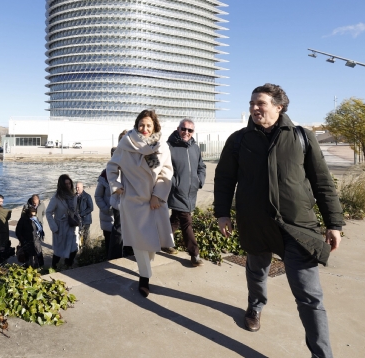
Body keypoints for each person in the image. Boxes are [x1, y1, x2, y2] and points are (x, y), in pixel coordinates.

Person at [214, 83, 344, 358]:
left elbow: (322, 182)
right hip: (255, 223)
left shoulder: (301, 137)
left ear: (279, 106)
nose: (254, 108)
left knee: (309, 296)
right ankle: (255, 306)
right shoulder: (238, 140)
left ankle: (322, 355)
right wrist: (222, 213)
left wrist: (334, 223)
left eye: (260, 103)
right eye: (251, 103)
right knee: (256, 271)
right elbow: (224, 179)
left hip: (297, 226)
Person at [107, 110, 174, 297]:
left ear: (155, 127)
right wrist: (116, 185)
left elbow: (166, 173)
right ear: (136, 125)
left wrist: (158, 195)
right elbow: (111, 167)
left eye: (148, 125)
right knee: (139, 242)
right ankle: (144, 278)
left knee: (151, 243)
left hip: (154, 201)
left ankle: (145, 269)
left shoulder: (162, 147)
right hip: (132, 201)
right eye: (141, 125)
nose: (144, 129)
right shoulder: (125, 144)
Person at [165, 118, 207, 266]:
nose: (186, 132)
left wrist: (199, 181)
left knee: (176, 218)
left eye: (190, 130)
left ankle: (164, 241)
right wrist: (174, 183)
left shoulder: (195, 148)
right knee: (186, 220)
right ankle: (194, 254)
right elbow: (164, 169)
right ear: (178, 129)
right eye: (184, 129)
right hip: (177, 191)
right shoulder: (169, 147)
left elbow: (201, 166)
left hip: (191, 191)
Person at [45, 174, 79, 268]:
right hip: (60, 228)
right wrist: (54, 227)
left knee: (74, 249)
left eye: (69, 183)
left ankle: (68, 266)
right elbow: (48, 212)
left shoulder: (73, 197)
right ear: (61, 185)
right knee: (59, 252)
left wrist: (77, 220)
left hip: (71, 227)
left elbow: (75, 211)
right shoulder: (56, 197)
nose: (68, 185)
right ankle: (54, 269)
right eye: (66, 184)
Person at [15, 195, 45, 268]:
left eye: (35, 215)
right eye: (32, 215)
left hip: (36, 240)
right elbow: (18, 231)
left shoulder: (36, 219)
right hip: (27, 241)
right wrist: (22, 240)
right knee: (29, 257)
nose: (34, 217)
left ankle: (39, 267)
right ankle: (29, 267)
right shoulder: (23, 220)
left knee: (38, 254)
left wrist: (40, 236)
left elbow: (39, 228)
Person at [94, 164, 114, 251]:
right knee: (109, 246)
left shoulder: (127, 172)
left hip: (123, 219)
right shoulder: (105, 175)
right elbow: (98, 196)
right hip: (108, 218)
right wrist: (106, 209)